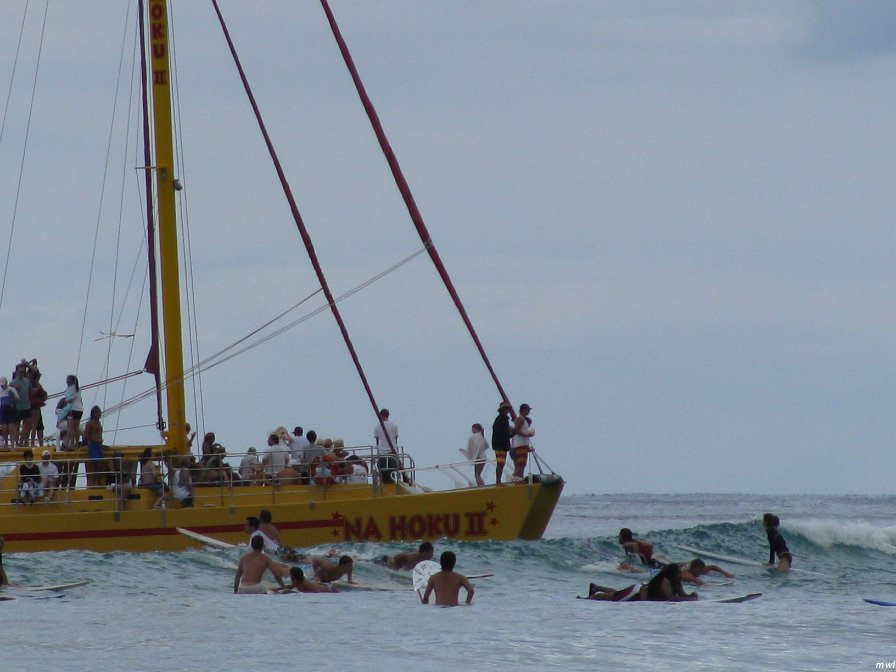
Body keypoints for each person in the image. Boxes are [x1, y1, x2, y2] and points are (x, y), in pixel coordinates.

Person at [586, 564, 697, 602]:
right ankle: (587, 599)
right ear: (672, 574)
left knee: (616, 594)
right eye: (678, 573)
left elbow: (682, 595)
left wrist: (691, 595)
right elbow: (671, 598)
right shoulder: (665, 581)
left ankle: (596, 587)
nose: (680, 576)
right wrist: (688, 599)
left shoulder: (676, 583)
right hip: (638, 592)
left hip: (639, 595)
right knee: (612, 597)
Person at [373, 408, 399, 483]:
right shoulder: (394, 426)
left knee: (383, 475)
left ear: (380, 415)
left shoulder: (377, 427)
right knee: (392, 474)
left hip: (382, 453)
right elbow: (395, 439)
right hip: (392, 453)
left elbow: (377, 441)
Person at [491, 401, 514, 484]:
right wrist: (514, 433)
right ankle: (498, 481)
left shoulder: (501, 419)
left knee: (501, 463)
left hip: (501, 445)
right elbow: (504, 433)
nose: (507, 410)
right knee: (500, 464)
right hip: (500, 445)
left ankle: (498, 480)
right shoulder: (502, 419)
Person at [9, 361, 32, 447]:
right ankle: (17, 443)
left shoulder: (27, 381)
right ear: (16, 372)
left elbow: (31, 392)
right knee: (16, 426)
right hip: (17, 407)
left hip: (27, 406)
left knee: (28, 425)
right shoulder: (12, 383)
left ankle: (24, 441)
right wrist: (14, 389)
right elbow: (8, 395)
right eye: (20, 372)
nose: (22, 373)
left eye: (23, 372)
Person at [511, 403, 535, 480]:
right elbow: (516, 430)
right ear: (524, 410)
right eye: (528, 410)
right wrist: (526, 435)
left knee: (522, 464)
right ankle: (516, 478)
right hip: (520, 445)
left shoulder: (522, 419)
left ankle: (518, 477)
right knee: (520, 464)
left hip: (523, 445)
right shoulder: (520, 419)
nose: (528, 412)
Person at [82, 405, 105, 487]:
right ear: (94, 413)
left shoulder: (99, 422)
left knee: (100, 466)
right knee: (94, 465)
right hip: (93, 446)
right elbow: (85, 436)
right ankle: (93, 483)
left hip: (99, 446)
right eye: (98, 412)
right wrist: (94, 440)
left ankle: (99, 482)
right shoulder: (90, 423)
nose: (99, 414)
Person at [27, 367, 47, 447]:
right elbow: (43, 394)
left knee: (38, 426)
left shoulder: (34, 384)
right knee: (34, 426)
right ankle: (32, 443)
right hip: (33, 406)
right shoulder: (31, 384)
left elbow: (43, 395)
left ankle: (39, 443)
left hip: (35, 406)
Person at [63, 374, 83, 451]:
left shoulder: (71, 389)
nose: (67, 383)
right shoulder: (79, 389)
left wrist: (66, 400)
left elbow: (70, 400)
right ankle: (76, 444)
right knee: (76, 427)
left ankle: (71, 444)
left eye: (68, 381)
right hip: (80, 409)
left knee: (71, 427)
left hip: (73, 409)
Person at [0, 377, 20, 449]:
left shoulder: (12, 389)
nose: (2, 386)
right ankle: (5, 443)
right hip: (3, 410)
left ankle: (12, 444)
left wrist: (13, 397)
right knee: (4, 428)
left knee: (11, 427)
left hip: (11, 409)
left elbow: (18, 399)